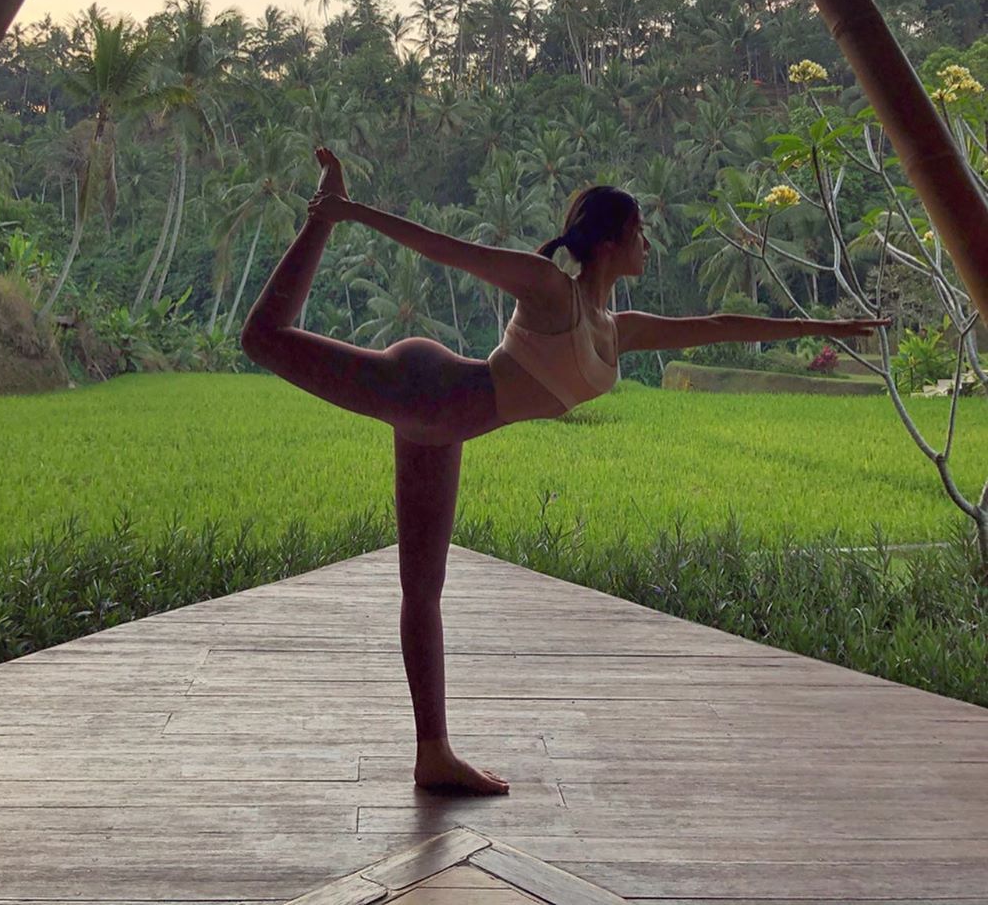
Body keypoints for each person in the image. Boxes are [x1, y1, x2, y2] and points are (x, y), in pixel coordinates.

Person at [241, 148, 889, 797]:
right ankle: (321, 214)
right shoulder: (550, 289)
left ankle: (433, 755)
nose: (647, 244)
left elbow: (718, 326)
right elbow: (449, 249)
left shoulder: (616, 328)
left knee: (423, 590)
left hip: (444, 425)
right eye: (638, 231)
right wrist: (348, 212)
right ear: (609, 241)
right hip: (422, 387)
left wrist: (823, 324)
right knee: (261, 337)